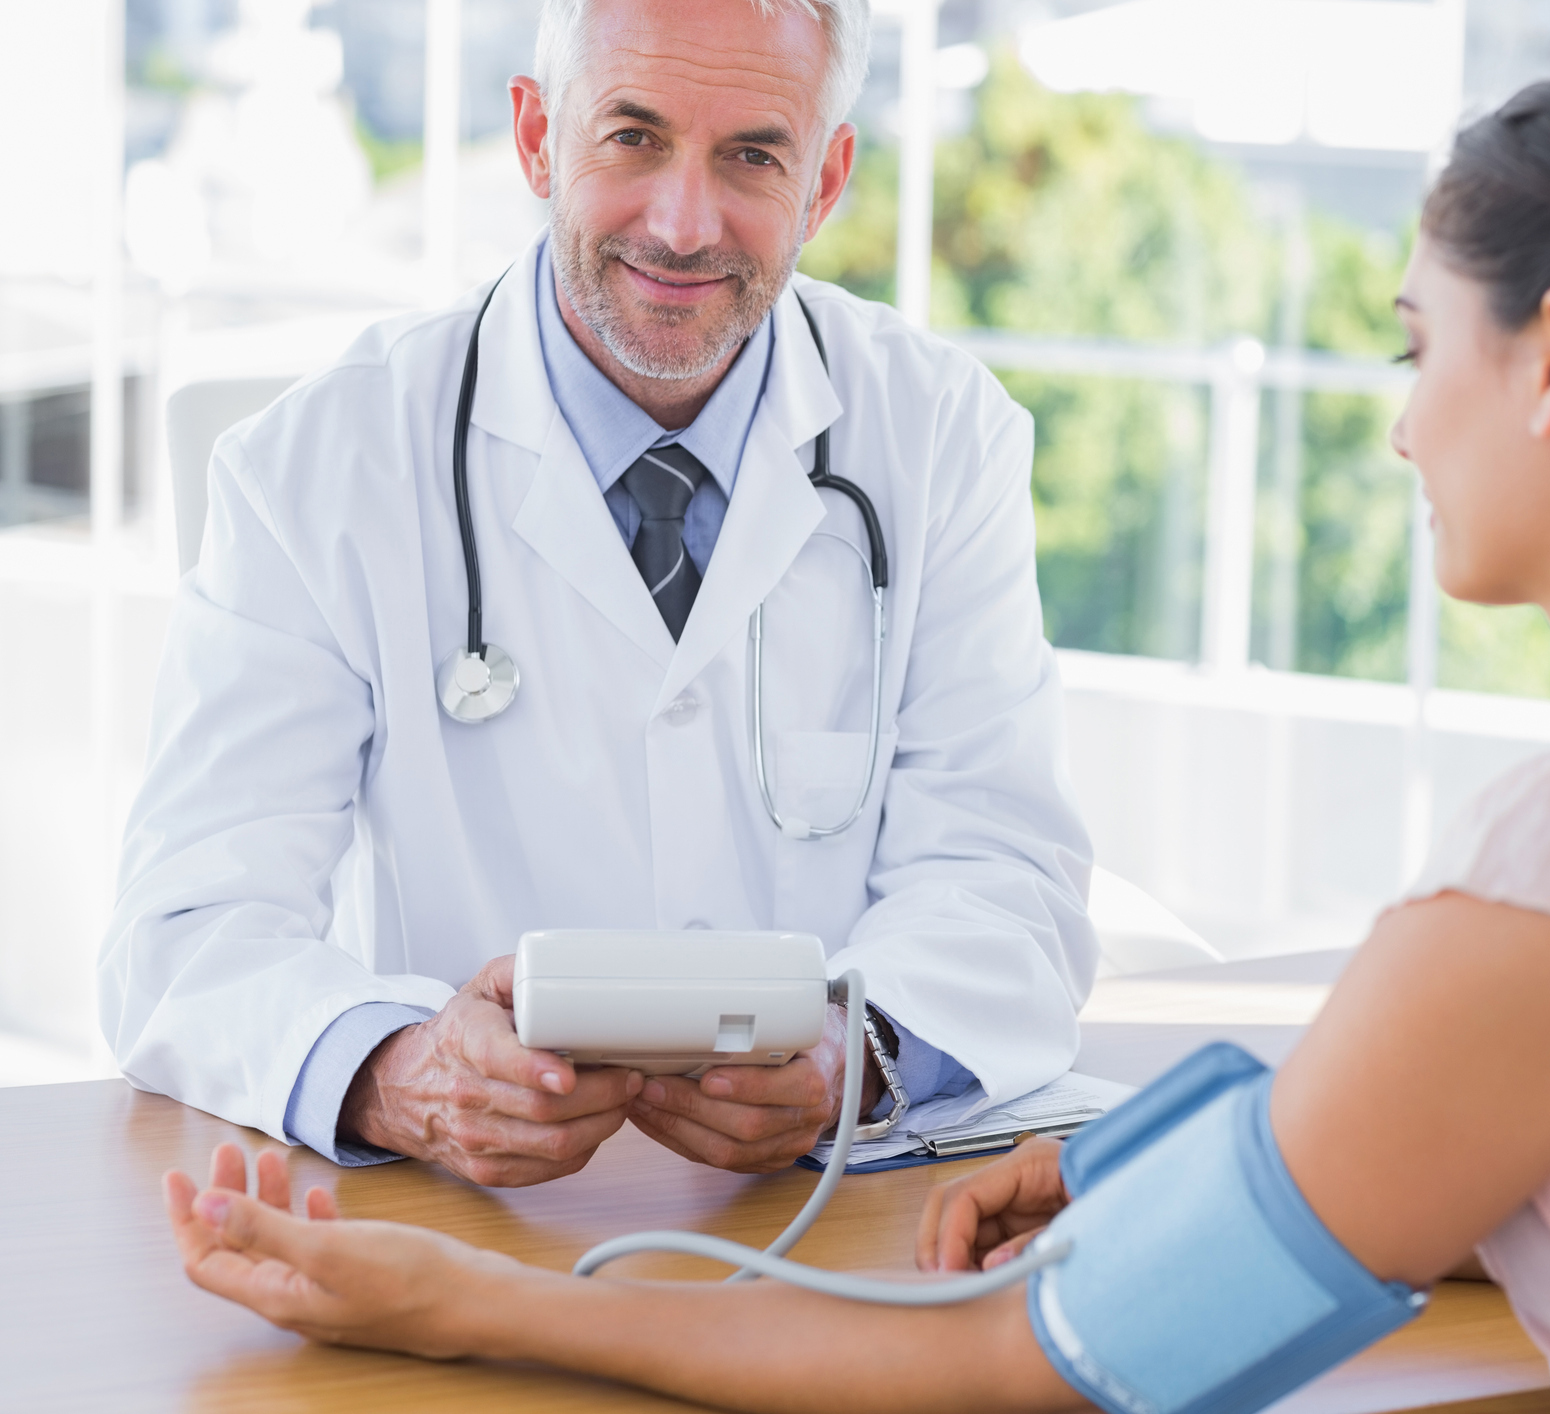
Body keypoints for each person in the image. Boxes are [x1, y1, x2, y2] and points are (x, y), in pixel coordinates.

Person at [163, 44, 1550, 1411]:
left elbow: (1042, 1357)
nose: (1388, 418)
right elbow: (1540, 1101)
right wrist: (1146, 1155)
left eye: (1405, 342)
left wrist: (479, 1303)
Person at [105, 0, 1096, 1188]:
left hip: (816, 1224)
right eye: (632, 136)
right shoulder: (315, 468)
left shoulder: (943, 437)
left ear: (825, 179)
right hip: (467, 1239)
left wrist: (858, 1056)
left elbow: (1005, 875)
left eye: (752, 155)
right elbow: (188, 932)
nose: (682, 224)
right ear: (535, 137)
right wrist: (399, 1072)